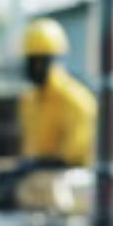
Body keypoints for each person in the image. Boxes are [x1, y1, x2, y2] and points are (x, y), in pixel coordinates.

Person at [18, 18, 97, 168]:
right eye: (30, 61)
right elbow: (32, 150)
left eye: (39, 61)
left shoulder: (76, 100)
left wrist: (36, 166)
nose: (33, 68)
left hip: (73, 175)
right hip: (41, 173)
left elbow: (75, 156)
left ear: (53, 60)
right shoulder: (29, 100)